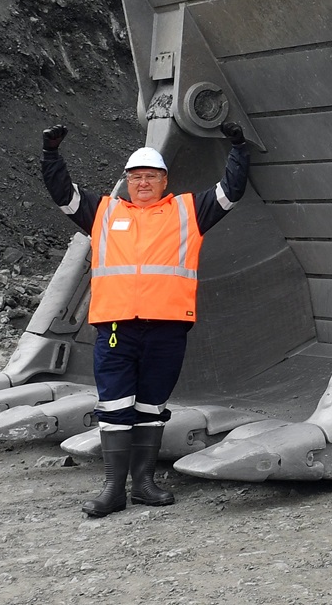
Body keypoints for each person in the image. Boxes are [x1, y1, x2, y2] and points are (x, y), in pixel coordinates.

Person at [41, 122, 251, 517]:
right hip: (117, 328)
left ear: (163, 181)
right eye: (135, 177)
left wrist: (238, 146)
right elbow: (62, 194)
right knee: (115, 406)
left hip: (167, 329)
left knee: (152, 406)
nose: (142, 183)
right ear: (126, 181)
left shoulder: (188, 211)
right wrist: (51, 154)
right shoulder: (103, 212)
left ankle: (144, 485)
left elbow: (231, 190)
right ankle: (112, 489)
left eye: (150, 176)